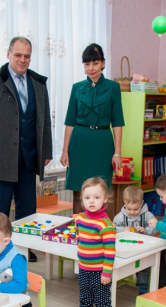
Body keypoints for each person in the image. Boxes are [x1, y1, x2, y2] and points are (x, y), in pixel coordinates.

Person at [0, 36, 53, 262]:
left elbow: (44, 120)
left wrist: (46, 151)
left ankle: (24, 249)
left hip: (29, 156)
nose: (22, 59)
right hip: (1, 158)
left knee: (27, 210)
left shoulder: (38, 82)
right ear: (8, 54)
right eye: (18, 55)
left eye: (27, 56)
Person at [60, 43, 124, 214]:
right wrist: (65, 151)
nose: (91, 68)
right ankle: (79, 227)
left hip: (103, 144)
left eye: (95, 63)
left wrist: (117, 153)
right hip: (78, 144)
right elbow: (70, 122)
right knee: (78, 193)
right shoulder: (77, 88)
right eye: (87, 64)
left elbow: (117, 122)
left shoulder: (113, 88)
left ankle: (100, 228)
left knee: (101, 193)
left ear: (103, 63)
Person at [67, 177, 116, 307]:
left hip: (100, 273)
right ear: (82, 199)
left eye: (96, 197)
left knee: (103, 303)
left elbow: (110, 251)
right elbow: (79, 237)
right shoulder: (79, 219)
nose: (92, 201)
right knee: (85, 299)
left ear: (105, 199)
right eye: (87, 198)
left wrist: (106, 273)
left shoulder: (106, 225)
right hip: (84, 269)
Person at [113, 186, 156, 295]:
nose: (132, 212)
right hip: (125, 248)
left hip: (142, 248)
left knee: (143, 266)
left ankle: (143, 288)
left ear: (141, 203)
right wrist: (122, 229)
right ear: (124, 203)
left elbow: (155, 228)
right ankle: (117, 279)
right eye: (129, 209)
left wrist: (146, 230)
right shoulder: (120, 216)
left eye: (136, 209)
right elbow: (112, 228)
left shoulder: (147, 215)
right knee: (123, 264)